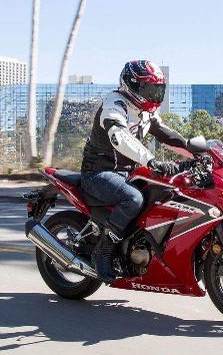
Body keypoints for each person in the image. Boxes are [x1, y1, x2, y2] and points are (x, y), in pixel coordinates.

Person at [80, 59, 188, 283]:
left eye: (158, 90)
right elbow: (119, 137)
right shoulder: (114, 104)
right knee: (133, 199)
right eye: (149, 89)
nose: (154, 95)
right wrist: (151, 161)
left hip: (127, 173)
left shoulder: (144, 111)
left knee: (167, 192)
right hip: (99, 172)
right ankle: (104, 251)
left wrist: (197, 152)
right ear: (132, 85)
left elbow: (168, 136)